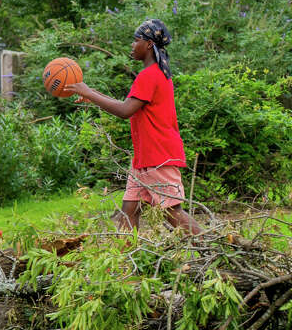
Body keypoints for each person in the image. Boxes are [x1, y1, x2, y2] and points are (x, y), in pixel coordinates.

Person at [64, 19, 203, 234]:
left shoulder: (149, 75)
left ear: (148, 44)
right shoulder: (154, 74)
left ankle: (210, 246)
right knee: (129, 209)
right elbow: (128, 105)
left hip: (159, 155)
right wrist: (92, 95)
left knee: (172, 211)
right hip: (144, 158)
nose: (132, 45)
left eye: (136, 40)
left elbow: (124, 111)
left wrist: (89, 93)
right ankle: (126, 260)